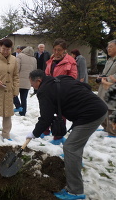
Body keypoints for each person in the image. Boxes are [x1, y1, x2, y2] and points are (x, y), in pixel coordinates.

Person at [26, 69, 107, 200]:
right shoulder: (60, 78)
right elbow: (86, 86)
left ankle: (75, 191)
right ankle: (75, 165)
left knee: (70, 147)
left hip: (90, 115)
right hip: (98, 108)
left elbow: (45, 118)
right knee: (75, 146)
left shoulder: (44, 91)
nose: (31, 86)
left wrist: (34, 133)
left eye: (32, 83)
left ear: (39, 81)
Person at [44, 38, 78, 145]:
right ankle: (45, 130)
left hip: (63, 91)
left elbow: (72, 77)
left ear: (64, 50)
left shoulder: (70, 61)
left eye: (59, 50)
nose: (56, 52)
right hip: (51, 90)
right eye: (54, 49)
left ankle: (58, 136)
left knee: (60, 114)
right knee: (47, 111)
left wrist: (61, 84)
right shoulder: (51, 59)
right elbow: (47, 73)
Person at [97, 39, 116, 137]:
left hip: (112, 89)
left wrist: (106, 79)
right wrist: (101, 77)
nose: (108, 49)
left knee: (111, 110)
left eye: (111, 47)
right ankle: (106, 127)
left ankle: (113, 131)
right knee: (103, 107)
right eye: (108, 47)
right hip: (104, 88)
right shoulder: (110, 59)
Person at [13, 46, 37, 116]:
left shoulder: (20, 56)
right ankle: (23, 112)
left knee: (13, 93)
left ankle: (18, 106)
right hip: (28, 81)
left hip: (18, 79)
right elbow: (34, 70)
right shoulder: (34, 59)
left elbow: (16, 68)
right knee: (24, 97)